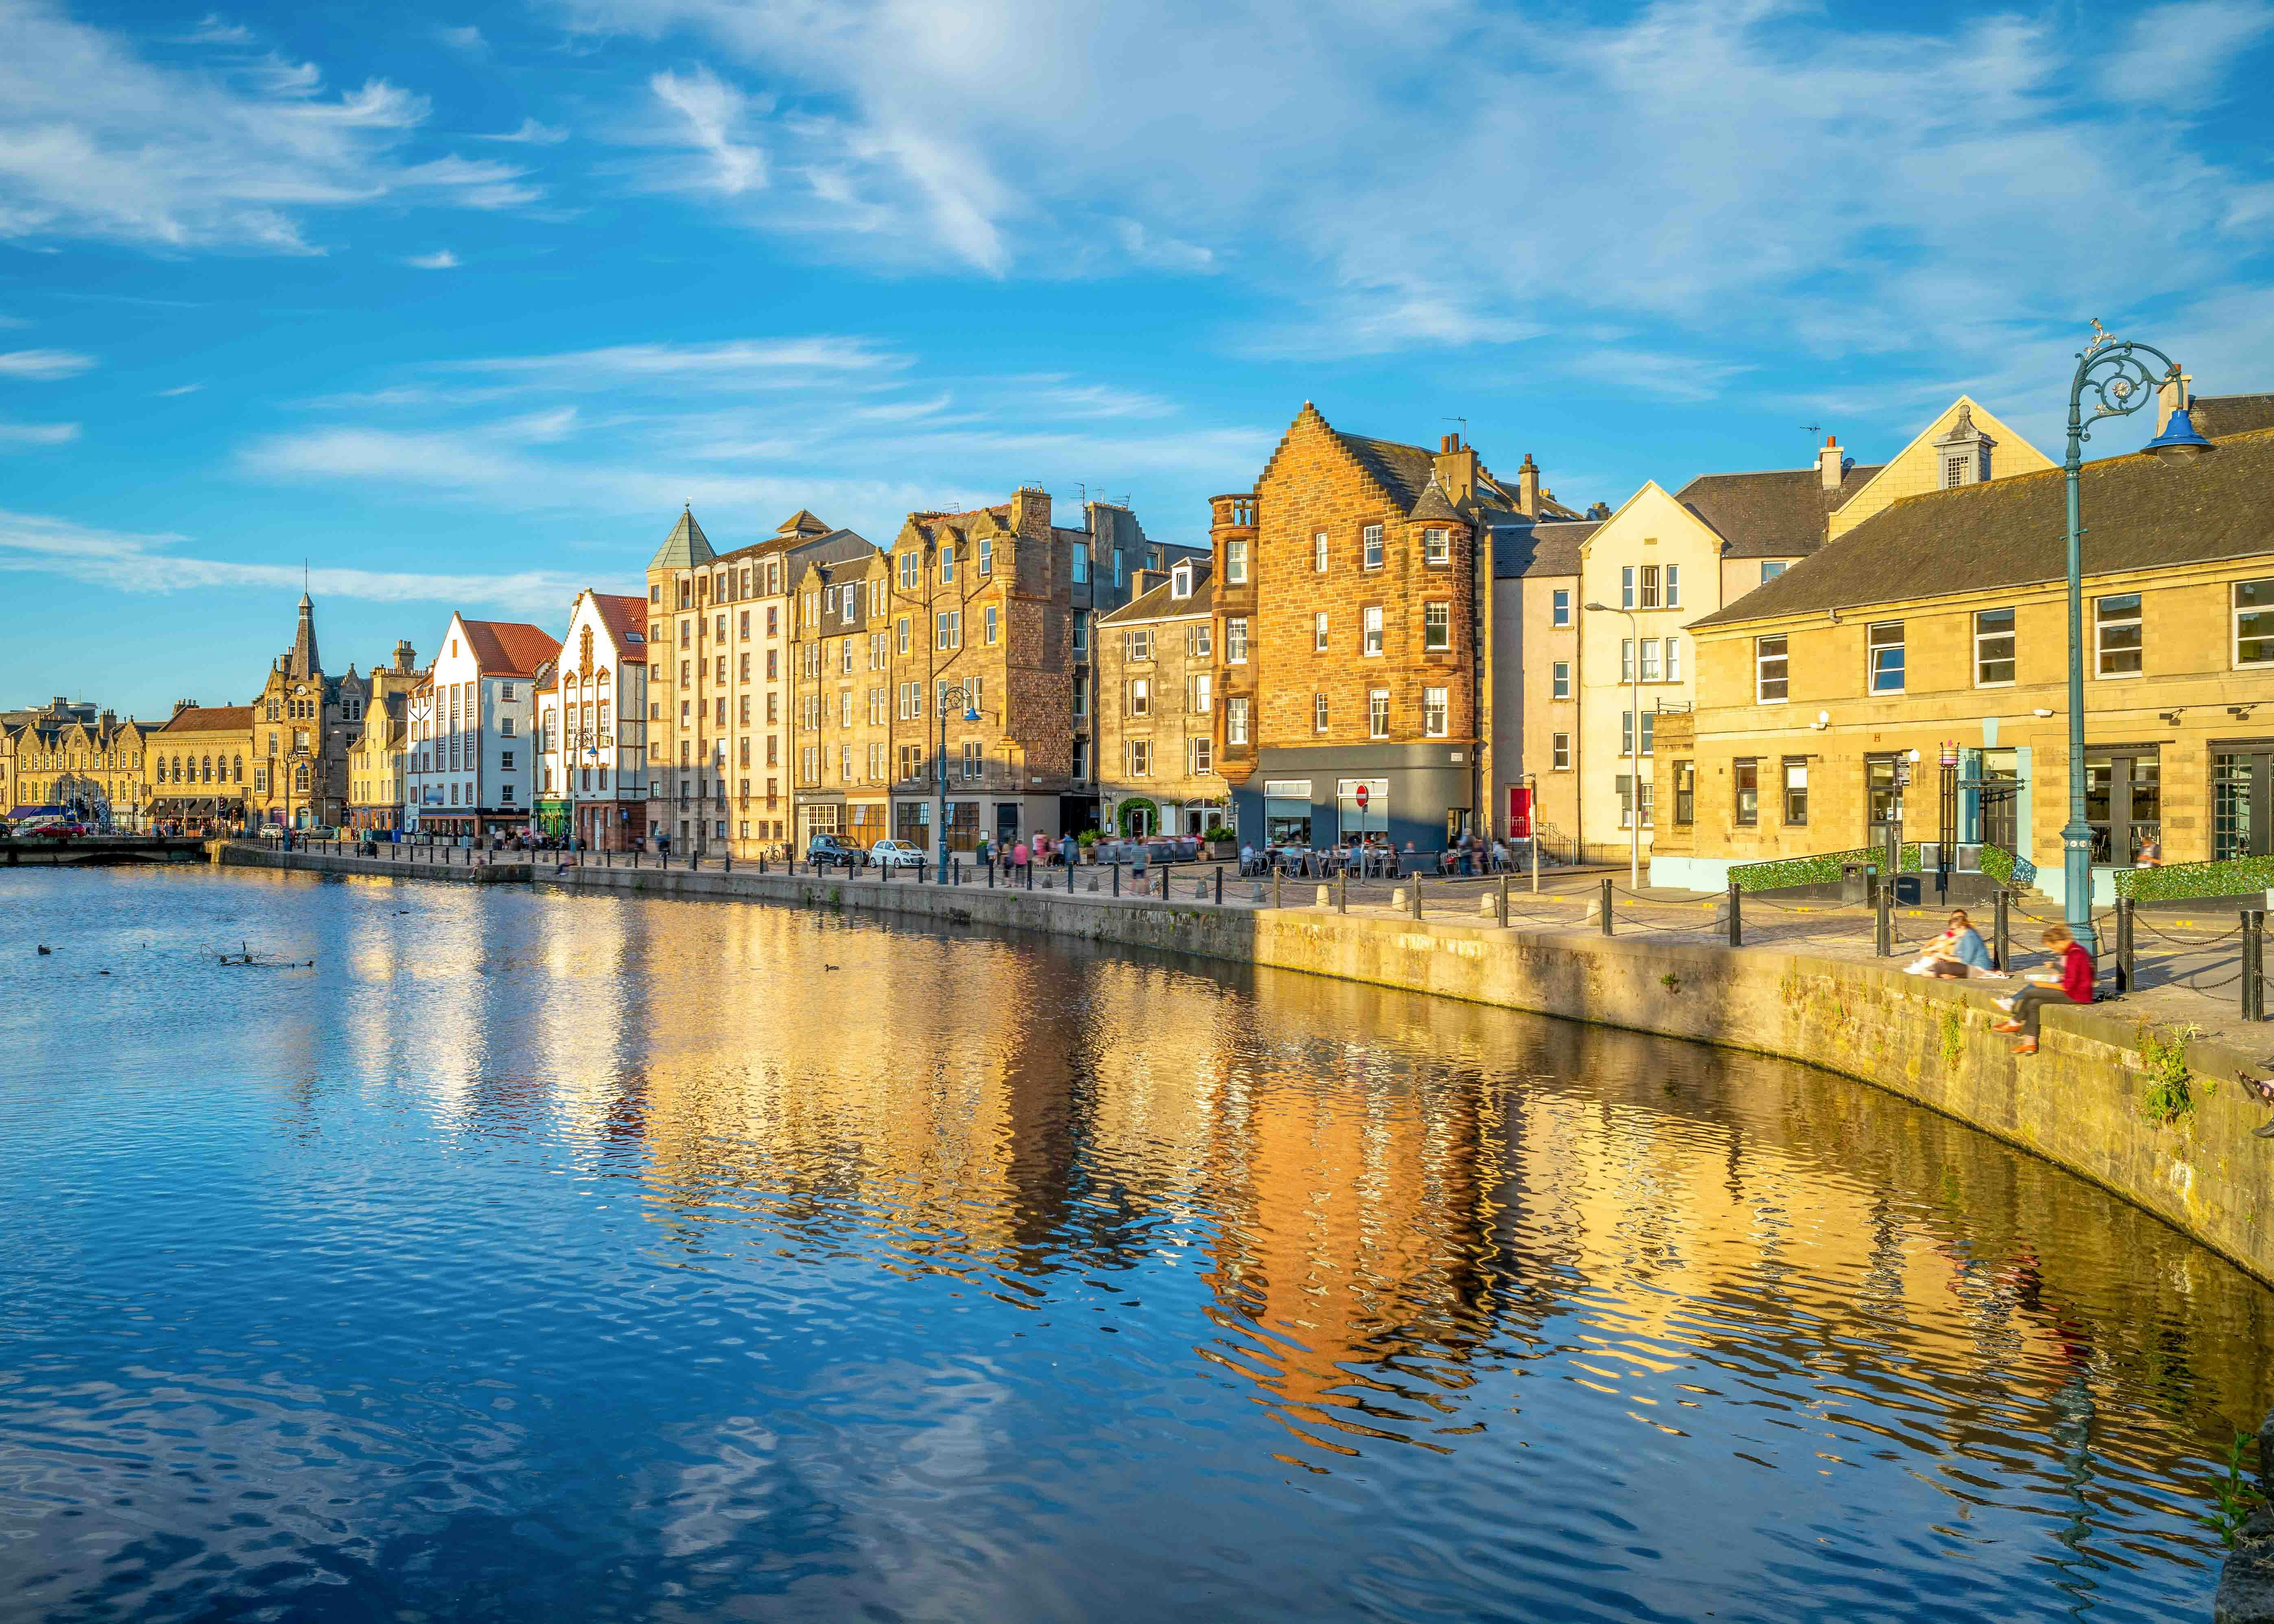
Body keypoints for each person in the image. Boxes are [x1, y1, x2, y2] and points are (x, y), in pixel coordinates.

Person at [1992, 926, 2095, 1054]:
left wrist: (2043, 984)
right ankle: (2030, 1043)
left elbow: (2068, 987)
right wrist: (2061, 975)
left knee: (2031, 991)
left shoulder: (2075, 954)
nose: (2054, 951)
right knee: (2034, 1003)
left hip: (2077, 995)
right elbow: (2076, 976)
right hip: (2077, 991)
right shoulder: (2076, 950)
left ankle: (2015, 1022)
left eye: (2053, 947)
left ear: (2060, 942)